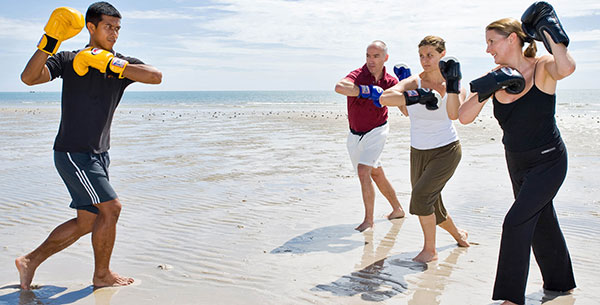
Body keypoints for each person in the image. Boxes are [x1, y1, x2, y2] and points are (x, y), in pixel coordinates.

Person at [16, 2, 162, 289]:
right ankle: (102, 275)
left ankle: (29, 261)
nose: (114, 34)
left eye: (118, 28)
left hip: (99, 155)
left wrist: (112, 63)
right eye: (108, 27)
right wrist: (50, 41)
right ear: (91, 27)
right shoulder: (69, 59)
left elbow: (155, 76)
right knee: (111, 208)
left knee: (87, 221)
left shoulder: (119, 63)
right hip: (73, 152)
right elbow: (29, 77)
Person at [458, 2, 576, 304]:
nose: (488, 49)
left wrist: (551, 33)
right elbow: (464, 116)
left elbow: (567, 68)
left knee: (515, 222)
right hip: (517, 163)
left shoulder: (542, 66)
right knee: (542, 219)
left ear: (512, 39)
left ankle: (511, 299)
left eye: (491, 41)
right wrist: (488, 87)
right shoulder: (496, 75)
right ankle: (561, 284)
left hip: (549, 160)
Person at [379, 35, 470, 263]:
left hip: (446, 150)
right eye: (421, 56)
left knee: (420, 198)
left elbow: (452, 114)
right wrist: (413, 96)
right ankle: (459, 235)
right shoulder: (414, 81)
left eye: (430, 55)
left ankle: (430, 250)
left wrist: (450, 86)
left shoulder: (456, 83)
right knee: (432, 204)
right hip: (418, 151)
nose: (425, 60)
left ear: (442, 53)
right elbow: (384, 98)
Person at [334, 40, 406, 232]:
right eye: (368, 55)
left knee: (363, 171)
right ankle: (397, 209)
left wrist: (406, 89)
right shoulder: (358, 75)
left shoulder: (391, 82)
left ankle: (368, 221)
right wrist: (365, 91)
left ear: (385, 58)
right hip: (355, 134)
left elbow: (405, 111)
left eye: (376, 56)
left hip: (377, 130)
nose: (371, 60)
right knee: (376, 173)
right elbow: (340, 87)